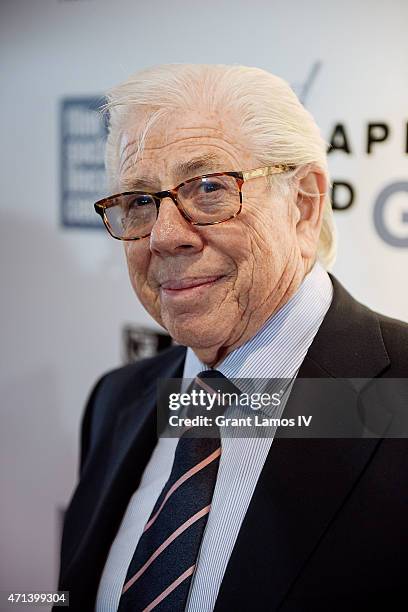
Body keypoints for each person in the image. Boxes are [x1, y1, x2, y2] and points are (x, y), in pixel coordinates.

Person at [56, 64, 408, 611]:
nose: (167, 236)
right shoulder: (116, 402)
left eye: (209, 188)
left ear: (305, 204)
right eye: (140, 200)